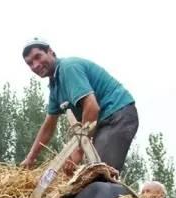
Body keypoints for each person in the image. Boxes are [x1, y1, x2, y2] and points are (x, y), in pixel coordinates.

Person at [21, 38, 138, 172]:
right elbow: (48, 126)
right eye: (30, 63)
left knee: (100, 173)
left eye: (38, 57)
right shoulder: (55, 87)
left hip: (116, 115)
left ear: (51, 52)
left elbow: (91, 107)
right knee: (87, 175)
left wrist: (78, 150)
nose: (35, 65)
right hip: (101, 124)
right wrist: (31, 157)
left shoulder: (68, 68)